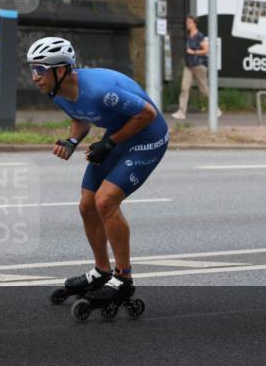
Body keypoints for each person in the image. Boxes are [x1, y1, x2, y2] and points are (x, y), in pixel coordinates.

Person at [28, 36, 169, 303]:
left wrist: (109, 143)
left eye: (40, 69)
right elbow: (80, 118)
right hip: (119, 135)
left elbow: (148, 113)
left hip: (148, 137)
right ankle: (102, 271)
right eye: (33, 69)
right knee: (87, 205)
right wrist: (72, 141)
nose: (34, 76)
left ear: (61, 70)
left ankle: (124, 279)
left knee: (105, 201)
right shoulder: (57, 92)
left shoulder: (100, 91)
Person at [171, 15, 221, 120]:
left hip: (198, 65)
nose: (187, 24)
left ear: (194, 24)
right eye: (187, 22)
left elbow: (206, 50)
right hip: (189, 66)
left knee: (204, 89)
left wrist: (193, 52)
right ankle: (181, 112)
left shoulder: (199, 36)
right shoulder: (188, 36)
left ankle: (216, 109)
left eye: (189, 22)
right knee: (184, 88)